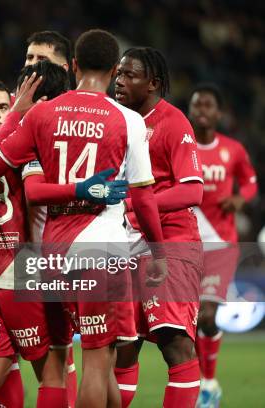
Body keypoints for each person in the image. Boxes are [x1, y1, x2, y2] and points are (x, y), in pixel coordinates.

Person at [0, 29, 167, 408]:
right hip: (101, 248)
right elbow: (145, 198)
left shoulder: (43, 113)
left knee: (95, 356)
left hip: (52, 252)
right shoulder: (128, 120)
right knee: (98, 363)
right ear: (116, 70)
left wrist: (16, 114)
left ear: (75, 66)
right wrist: (159, 251)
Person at [114, 47, 204, 408]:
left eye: (129, 75)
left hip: (171, 244)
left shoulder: (173, 122)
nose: (119, 81)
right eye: (118, 73)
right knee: (122, 345)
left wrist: (137, 203)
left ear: (152, 83)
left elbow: (192, 189)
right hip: (126, 243)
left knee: (174, 340)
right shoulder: (117, 121)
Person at [188, 83, 258, 407]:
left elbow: (250, 181)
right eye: (196, 105)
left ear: (218, 113)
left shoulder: (233, 150)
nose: (201, 110)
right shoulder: (181, 146)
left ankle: (209, 383)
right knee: (187, 323)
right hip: (184, 244)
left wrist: (239, 199)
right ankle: (195, 381)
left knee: (208, 315)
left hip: (220, 244)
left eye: (207, 105)